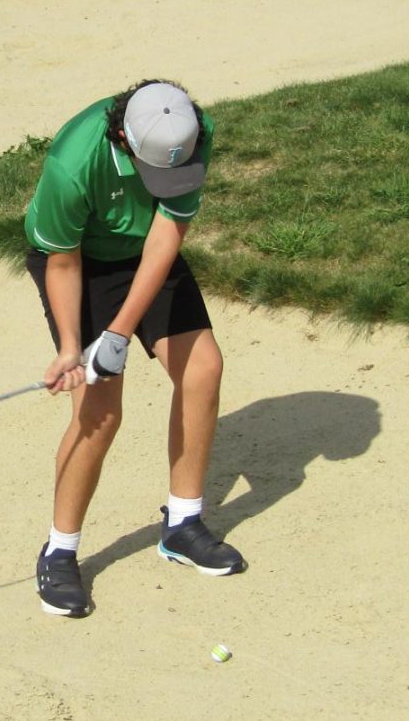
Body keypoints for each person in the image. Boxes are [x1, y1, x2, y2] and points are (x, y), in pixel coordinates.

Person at [24, 79, 246, 617]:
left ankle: (183, 523)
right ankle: (60, 550)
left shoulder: (190, 130)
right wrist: (74, 348)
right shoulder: (72, 164)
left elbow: (168, 233)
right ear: (124, 140)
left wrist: (120, 332)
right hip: (82, 263)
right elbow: (63, 261)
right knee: (99, 409)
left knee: (203, 369)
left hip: (148, 252)